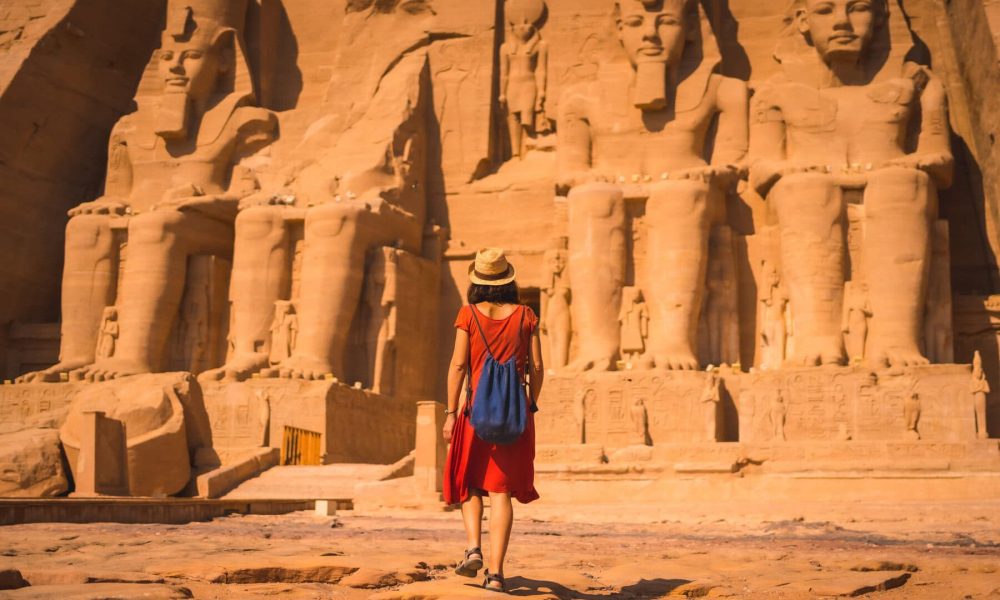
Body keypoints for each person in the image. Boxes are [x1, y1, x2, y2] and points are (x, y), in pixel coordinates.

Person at [443, 248, 544, 593]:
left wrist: (450, 411)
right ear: (507, 280)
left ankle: (473, 547)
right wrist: (531, 403)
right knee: (501, 492)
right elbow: (539, 367)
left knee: (470, 482)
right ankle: (496, 575)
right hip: (514, 415)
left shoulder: (468, 314)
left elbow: (458, 366)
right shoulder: (527, 315)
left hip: (474, 413)